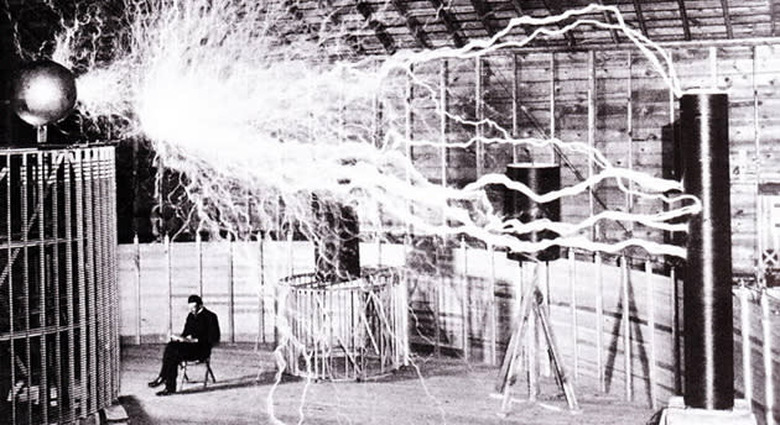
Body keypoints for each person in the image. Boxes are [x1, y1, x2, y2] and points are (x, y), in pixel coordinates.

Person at [148, 294, 220, 396]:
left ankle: (165, 381)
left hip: (202, 349)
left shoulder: (211, 317)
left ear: (200, 305)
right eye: (190, 308)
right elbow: (185, 333)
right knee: (171, 346)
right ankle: (166, 382)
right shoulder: (190, 316)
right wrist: (180, 338)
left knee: (173, 353)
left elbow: (214, 338)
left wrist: (196, 340)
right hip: (189, 347)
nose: (191, 310)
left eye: (194, 307)